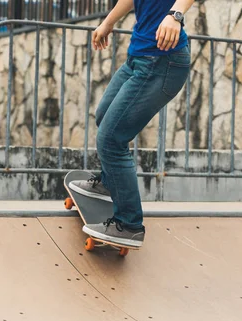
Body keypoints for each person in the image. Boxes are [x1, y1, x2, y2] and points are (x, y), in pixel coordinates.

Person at [68, 0, 193, 248]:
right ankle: (109, 183)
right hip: (138, 58)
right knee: (104, 116)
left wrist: (175, 15)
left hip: (162, 61)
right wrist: (108, 21)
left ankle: (130, 225)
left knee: (111, 139)